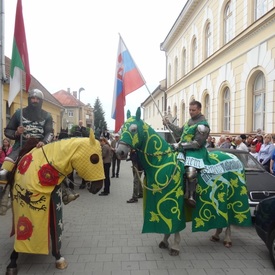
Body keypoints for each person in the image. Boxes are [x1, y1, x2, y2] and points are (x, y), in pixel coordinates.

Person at [0, 89, 78, 204]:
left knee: (55, 165)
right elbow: (8, 131)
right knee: (5, 169)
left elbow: (49, 132)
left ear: (41, 101)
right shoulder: (18, 113)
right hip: (22, 145)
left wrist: (44, 142)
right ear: (29, 99)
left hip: (39, 145)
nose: (35, 100)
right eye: (33, 98)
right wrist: (17, 132)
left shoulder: (47, 116)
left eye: (37, 99)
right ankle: (3, 199)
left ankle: (66, 192)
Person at [163, 100, 210, 207]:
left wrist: (179, 145)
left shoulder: (203, 124)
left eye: (193, 110)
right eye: (189, 110)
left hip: (196, 151)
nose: (191, 112)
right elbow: (179, 132)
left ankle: (191, 196)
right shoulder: (189, 122)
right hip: (184, 150)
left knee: (190, 171)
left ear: (199, 110)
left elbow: (197, 143)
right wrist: (168, 124)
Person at [71, 119, 89, 189]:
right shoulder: (75, 128)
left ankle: (84, 182)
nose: (81, 123)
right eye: (80, 122)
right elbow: (72, 134)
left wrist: (83, 131)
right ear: (78, 123)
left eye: (81, 123)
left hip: (82, 143)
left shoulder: (84, 128)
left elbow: (87, 135)